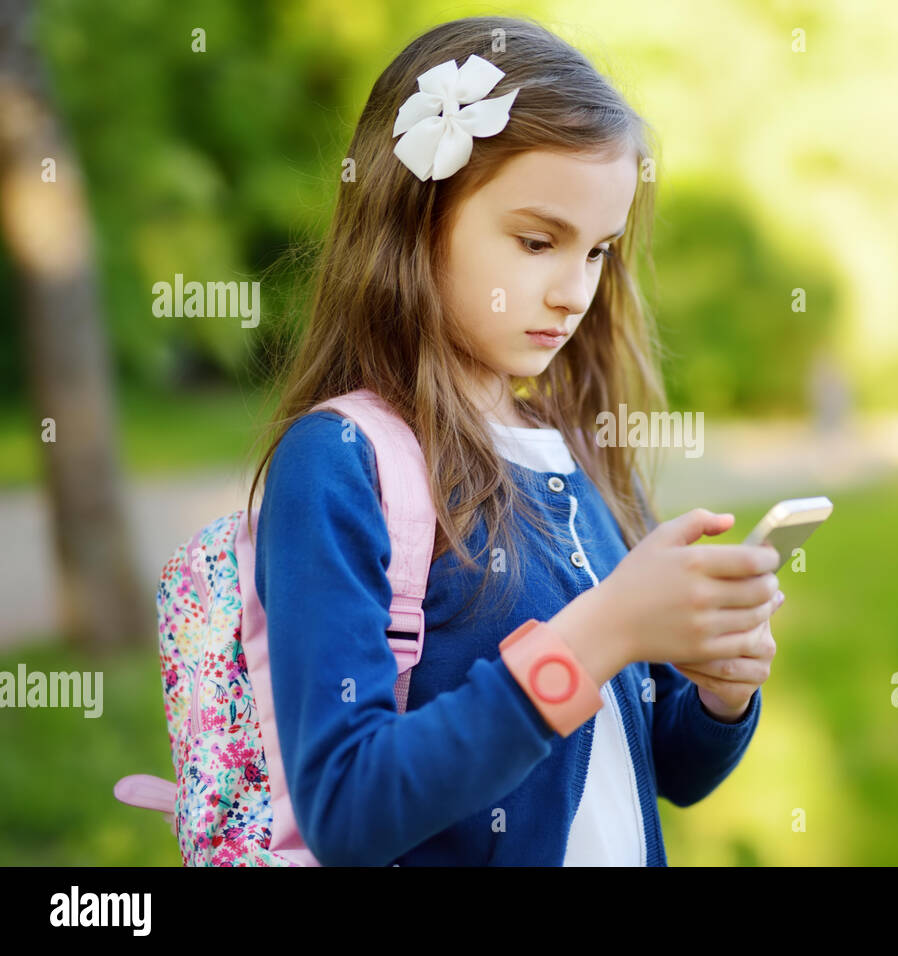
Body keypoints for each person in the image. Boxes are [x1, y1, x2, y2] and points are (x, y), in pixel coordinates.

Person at [244, 14, 784, 867]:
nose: (575, 292)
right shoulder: (339, 465)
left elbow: (671, 770)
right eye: (538, 242)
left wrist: (720, 694)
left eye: (599, 251)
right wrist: (600, 633)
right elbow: (347, 808)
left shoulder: (580, 457)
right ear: (416, 221)